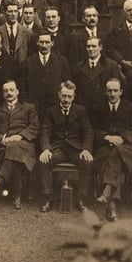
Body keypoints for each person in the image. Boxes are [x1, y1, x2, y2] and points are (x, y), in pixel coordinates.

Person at [36, 81, 95, 212]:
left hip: (75, 149)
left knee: (87, 162)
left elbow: (87, 131)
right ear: (59, 95)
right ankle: (48, 198)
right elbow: (45, 131)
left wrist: (86, 149)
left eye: (69, 96)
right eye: (64, 96)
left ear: (73, 97)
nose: (66, 99)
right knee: (43, 161)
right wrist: (46, 149)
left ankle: (80, 199)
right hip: (58, 149)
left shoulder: (80, 111)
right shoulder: (50, 111)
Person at [91, 78, 132, 222]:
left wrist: (122, 138)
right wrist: (107, 137)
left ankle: (108, 197)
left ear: (121, 92)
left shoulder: (131, 108)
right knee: (112, 157)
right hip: (106, 147)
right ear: (105, 92)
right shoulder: (98, 108)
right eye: (109, 91)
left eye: (115, 91)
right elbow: (93, 130)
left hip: (127, 149)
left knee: (114, 155)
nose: (112, 94)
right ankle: (111, 204)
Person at [0, 80, 40, 210]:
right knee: (13, 152)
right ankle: (17, 194)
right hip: (4, 146)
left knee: (14, 147)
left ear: (17, 91)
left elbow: (35, 127)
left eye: (11, 90)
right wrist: (1, 140)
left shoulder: (29, 108)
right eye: (6, 91)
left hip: (24, 145)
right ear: (2, 93)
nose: (9, 93)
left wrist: (20, 136)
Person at [20, 32, 71, 114]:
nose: (44, 45)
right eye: (41, 42)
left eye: (47, 42)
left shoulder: (62, 62)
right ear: (37, 42)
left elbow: (67, 85)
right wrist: (27, 105)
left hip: (55, 107)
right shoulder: (27, 63)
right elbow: (22, 87)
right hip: (34, 108)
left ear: (52, 43)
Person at [71, 36, 123, 113]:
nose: (91, 49)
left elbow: (117, 89)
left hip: (103, 110)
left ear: (100, 47)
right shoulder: (78, 67)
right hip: (84, 110)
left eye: (94, 46)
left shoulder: (112, 66)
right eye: (88, 46)